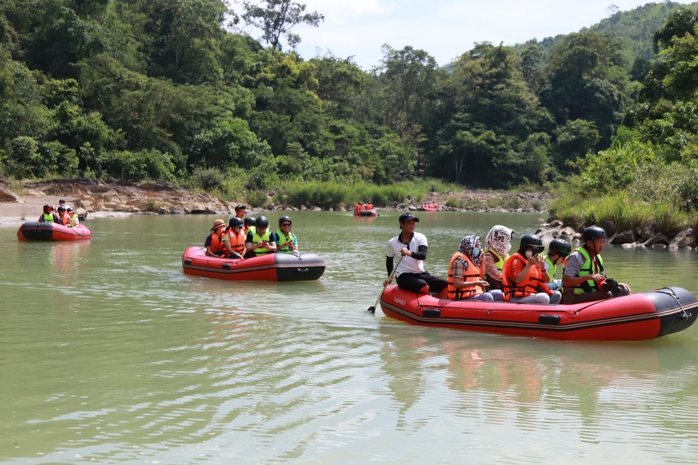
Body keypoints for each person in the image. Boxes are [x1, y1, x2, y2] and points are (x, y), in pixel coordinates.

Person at [562, 225, 631, 304]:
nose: (602, 245)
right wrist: (588, 277)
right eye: (599, 242)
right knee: (607, 294)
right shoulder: (577, 257)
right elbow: (567, 282)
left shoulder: (597, 258)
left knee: (623, 290)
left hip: (591, 292)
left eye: (603, 242)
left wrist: (616, 284)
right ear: (589, 243)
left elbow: (600, 280)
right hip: (573, 297)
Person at [384, 212, 448, 295]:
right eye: (408, 223)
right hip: (403, 275)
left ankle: (437, 305)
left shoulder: (420, 237)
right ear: (401, 224)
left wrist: (409, 253)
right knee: (423, 286)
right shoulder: (392, 242)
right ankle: (428, 300)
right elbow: (389, 260)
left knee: (446, 284)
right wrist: (390, 276)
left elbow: (423, 255)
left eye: (413, 223)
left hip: (420, 273)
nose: (411, 225)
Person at [502, 234, 562, 304]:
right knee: (544, 297)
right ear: (524, 248)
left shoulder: (535, 264)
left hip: (530, 294)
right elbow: (517, 280)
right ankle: (541, 314)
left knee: (556, 295)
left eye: (535, 250)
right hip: (516, 297)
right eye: (530, 248)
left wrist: (543, 268)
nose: (532, 251)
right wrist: (529, 265)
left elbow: (547, 280)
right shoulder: (517, 261)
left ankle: (549, 314)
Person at [448, 235, 504, 302]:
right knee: (487, 297)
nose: (478, 248)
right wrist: (476, 283)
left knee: (499, 294)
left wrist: (483, 261)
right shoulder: (459, 262)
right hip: (461, 296)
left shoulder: (474, 261)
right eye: (476, 246)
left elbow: (480, 278)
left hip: (474, 292)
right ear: (468, 247)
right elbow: (457, 284)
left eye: (478, 246)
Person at [483, 225, 515, 290]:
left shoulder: (505, 255)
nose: (508, 244)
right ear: (498, 239)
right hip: (492, 289)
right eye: (506, 241)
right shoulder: (487, 256)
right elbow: (496, 278)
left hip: (506, 287)